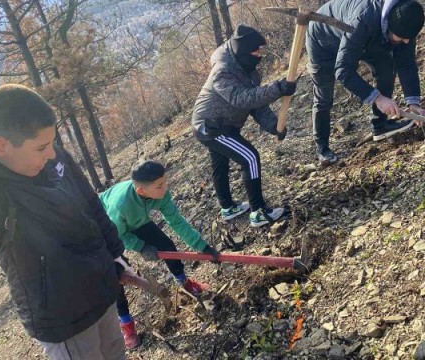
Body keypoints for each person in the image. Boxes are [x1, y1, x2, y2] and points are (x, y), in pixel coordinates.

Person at [0, 85, 127, 360]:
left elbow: (90, 202)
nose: (53, 154)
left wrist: (115, 253)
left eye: (53, 143)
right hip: (65, 318)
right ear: (0, 146)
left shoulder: (50, 159)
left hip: (102, 288)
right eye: (42, 147)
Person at [99, 160, 219, 349]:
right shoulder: (120, 204)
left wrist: (203, 247)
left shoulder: (159, 193)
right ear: (141, 191)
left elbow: (177, 222)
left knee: (167, 245)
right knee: (115, 273)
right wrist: (141, 246)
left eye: (165, 181)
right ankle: (126, 323)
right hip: (106, 228)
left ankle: (184, 282)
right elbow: (118, 234)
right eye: (160, 185)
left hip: (134, 220)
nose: (165, 187)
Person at [191, 24, 297, 227]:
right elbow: (242, 99)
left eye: (260, 51)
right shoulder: (222, 72)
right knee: (250, 157)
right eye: (255, 51)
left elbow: (256, 106)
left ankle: (228, 208)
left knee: (220, 164)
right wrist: (278, 88)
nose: (259, 55)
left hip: (224, 125)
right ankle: (258, 212)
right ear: (243, 51)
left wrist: (273, 125)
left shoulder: (249, 71)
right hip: (211, 126)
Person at [306, 0, 425, 165]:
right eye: (402, 38)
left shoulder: (406, 20)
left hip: (365, 37)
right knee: (324, 96)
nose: (406, 42)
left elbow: (406, 63)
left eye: (408, 39)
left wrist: (414, 104)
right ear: (388, 24)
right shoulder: (364, 19)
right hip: (323, 40)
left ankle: (380, 125)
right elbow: (343, 70)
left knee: (385, 65)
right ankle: (322, 148)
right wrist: (377, 98)